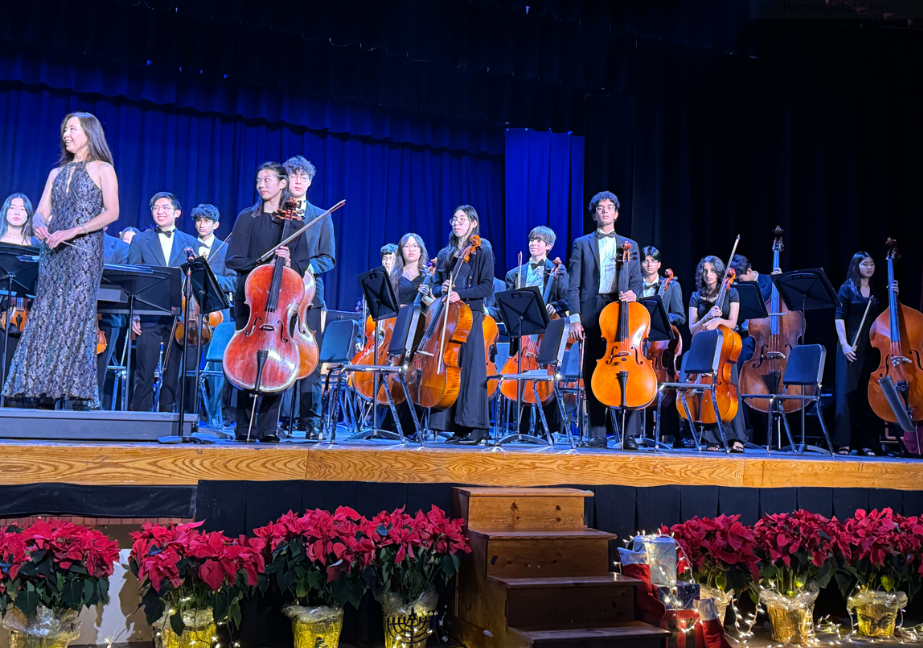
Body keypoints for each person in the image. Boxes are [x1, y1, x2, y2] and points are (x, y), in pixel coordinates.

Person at [3, 112, 119, 409]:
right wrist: (40, 225)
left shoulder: (103, 168)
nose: (66, 134)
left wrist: (74, 230)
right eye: (65, 129)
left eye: (72, 129)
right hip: (53, 250)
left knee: (74, 316)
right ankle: (39, 388)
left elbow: (112, 212)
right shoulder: (57, 173)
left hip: (83, 251)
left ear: (89, 133)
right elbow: (42, 210)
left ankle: (75, 392)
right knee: (47, 313)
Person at [225, 162, 313, 442]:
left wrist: (288, 262)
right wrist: (263, 264)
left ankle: (268, 427)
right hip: (251, 299)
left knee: (278, 359)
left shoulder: (294, 222)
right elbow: (233, 259)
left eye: (267, 180)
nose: (262, 184)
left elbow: (303, 263)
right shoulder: (246, 218)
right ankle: (243, 426)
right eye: (258, 180)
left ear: (282, 184)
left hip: (279, 305)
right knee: (245, 359)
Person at [567, 191, 642, 448]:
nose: (605, 211)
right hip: (592, 312)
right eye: (601, 208)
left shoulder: (629, 245)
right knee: (593, 372)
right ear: (594, 213)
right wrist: (575, 319)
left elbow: (637, 282)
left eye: (610, 207)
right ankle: (597, 434)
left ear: (617, 213)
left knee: (631, 372)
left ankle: (629, 435)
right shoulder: (582, 243)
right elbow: (573, 285)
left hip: (621, 310)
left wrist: (635, 292)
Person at [127, 192, 199, 413]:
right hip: (148, 312)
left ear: (177, 212)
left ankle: (168, 413)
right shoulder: (140, 239)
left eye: (165, 207)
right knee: (145, 368)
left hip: (179, 315)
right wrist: (134, 314)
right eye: (156, 208)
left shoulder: (190, 242)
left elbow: (195, 279)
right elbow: (133, 278)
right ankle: (139, 416)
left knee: (174, 369)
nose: (160, 211)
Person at [430, 205, 495, 445]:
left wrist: (461, 293)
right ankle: (454, 426)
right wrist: (442, 289)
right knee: (451, 366)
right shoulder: (447, 253)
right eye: (454, 219)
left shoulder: (482, 249)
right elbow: (436, 285)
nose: (456, 223)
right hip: (449, 317)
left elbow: (486, 287)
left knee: (471, 369)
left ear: (473, 223)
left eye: (462, 219)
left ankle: (476, 428)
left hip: (470, 315)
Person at [283, 155, 336, 439]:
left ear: (310, 182)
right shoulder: (273, 212)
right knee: (277, 353)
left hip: (309, 296)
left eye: (304, 177)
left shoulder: (322, 216)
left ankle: (310, 418)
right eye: (293, 176)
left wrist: (306, 268)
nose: (299, 181)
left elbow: (329, 258)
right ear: (286, 180)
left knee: (309, 359)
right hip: (278, 296)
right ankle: (276, 415)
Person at [503, 226, 569, 435]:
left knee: (547, 375)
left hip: (546, 331)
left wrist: (556, 306)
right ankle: (519, 429)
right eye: (532, 239)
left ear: (548, 246)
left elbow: (567, 299)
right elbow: (508, 302)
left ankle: (547, 429)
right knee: (519, 372)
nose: (534, 243)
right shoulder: (515, 273)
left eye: (539, 241)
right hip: (522, 332)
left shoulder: (558, 270)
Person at [834, 252, 895, 456]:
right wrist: (844, 344)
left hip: (872, 347)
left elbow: (888, 314)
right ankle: (844, 443)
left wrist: (894, 293)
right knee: (845, 395)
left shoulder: (877, 290)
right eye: (865, 264)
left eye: (872, 264)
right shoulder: (846, 289)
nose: (869, 267)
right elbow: (839, 317)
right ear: (856, 266)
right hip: (851, 346)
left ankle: (867, 442)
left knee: (868, 396)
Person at [625, 246, 687, 443]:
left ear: (659, 264)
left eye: (653, 261)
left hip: (660, 343)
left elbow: (680, 316)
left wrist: (660, 316)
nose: (649, 264)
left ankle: (670, 432)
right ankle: (631, 433)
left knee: (664, 380)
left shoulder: (672, 285)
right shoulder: (634, 286)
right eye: (645, 260)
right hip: (637, 342)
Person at [687, 255, 746, 452]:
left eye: (712, 271)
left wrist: (719, 321)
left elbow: (733, 323)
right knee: (708, 392)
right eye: (705, 271)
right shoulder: (696, 296)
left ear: (720, 274)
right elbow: (693, 329)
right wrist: (708, 315)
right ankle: (712, 438)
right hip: (705, 349)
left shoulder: (732, 292)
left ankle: (736, 438)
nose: (708, 275)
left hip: (726, 348)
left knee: (731, 390)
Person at [190, 204, 237, 425]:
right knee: (188, 362)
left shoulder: (226, 249)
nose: (202, 224)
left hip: (217, 314)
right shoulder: (186, 245)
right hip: (190, 312)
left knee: (217, 364)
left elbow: (236, 281)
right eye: (199, 220)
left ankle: (215, 413)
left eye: (207, 221)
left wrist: (216, 280)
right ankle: (189, 411)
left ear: (216, 225)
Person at [96, 225, 130, 409]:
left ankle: (95, 402)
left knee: (101, 363)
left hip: (107, 313)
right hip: (77, 314)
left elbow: (122, 280)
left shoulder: (119, 246)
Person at [730, 254, 774, 364]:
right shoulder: (736, 286)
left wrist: (778, 281)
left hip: (766, 333)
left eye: (740, 279)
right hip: (746, 334)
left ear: (749, 271)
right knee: (740, 353)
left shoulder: (769, 281)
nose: (738, 283)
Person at [391, 233, 431, 306]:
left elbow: (437, 307)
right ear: (401, 251)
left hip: (421, 316)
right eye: (406, 246)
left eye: (415, 246)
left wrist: (425, 298)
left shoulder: (428, 275)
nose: (411, 249)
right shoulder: (393, 275)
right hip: (399, 316)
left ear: (421, 250)